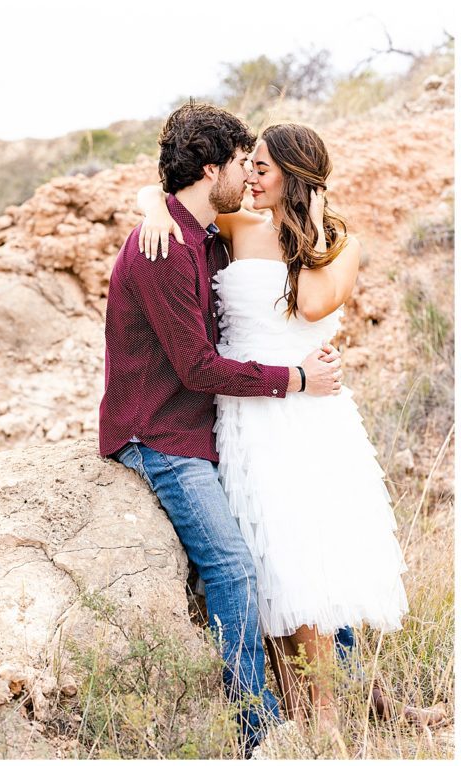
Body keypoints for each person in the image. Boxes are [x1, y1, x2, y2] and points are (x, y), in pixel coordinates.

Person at [136, 122, 425, 729]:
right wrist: (150, 207)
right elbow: (179, 201)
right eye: (249, 164)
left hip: (307, 413)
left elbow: (313, 302)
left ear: (294, 177)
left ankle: (329, 715)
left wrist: (310, 227)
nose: (251, 176)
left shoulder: (341, 244)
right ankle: (302, 709)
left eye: (263, 167)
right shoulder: (237, 226)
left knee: (309, 558)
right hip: (246, 413)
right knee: (272, 561)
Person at [98, 102, 345, 756]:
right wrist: (295, 378)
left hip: (207, 431)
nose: (249, 175)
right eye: (242, 162)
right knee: (233, 569)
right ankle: (257, 733)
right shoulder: (162, 248)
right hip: (158, 436)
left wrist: (153, 201)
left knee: (295, 549)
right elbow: (198, 367)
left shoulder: (203, 236)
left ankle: (341, 697)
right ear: (212, 169)